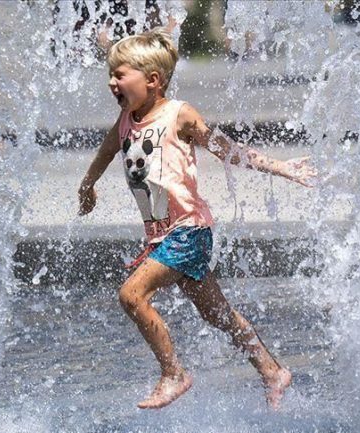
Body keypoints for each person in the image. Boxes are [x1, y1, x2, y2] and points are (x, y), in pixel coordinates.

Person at [77, 28, 316, 410]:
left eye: (120, 75)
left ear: (153, 80)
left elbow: (226, 149)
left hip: (188, 231)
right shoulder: (126, 119)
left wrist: (280, 167)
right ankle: (272, 370)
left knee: (131, 295)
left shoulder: (178, 115)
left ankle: (174, 373)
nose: (112, 83)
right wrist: (87, 185)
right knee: (216, 313)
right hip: (163, 236)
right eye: (111, 75)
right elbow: (108, 150)